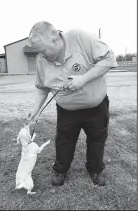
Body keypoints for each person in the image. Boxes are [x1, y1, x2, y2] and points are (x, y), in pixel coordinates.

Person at [27, 21, 118, 186]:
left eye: (42, 50)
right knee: (63, 142)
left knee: (97, 140)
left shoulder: (79, 37)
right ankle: (60, 170)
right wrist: (35, 111)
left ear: (55, 39)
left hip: (96, 107)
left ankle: (95, 169)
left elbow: (110, 58)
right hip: (66, 110)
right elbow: (42, 88)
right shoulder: (42, 59)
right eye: (38, 52)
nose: (40, 55)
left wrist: (83, 79)